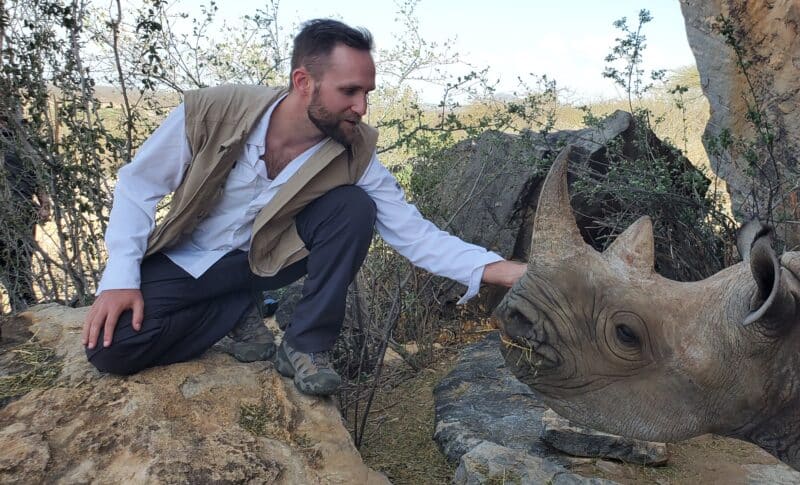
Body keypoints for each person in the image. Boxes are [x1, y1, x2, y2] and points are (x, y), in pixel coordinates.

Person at [82, 19, 527, 396]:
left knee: (353, 208)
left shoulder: (355, 150)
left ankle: (304, 343)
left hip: (266, 263)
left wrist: (503, 270)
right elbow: (138, 184)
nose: (362, 107)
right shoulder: (215, 111)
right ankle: (237, 311)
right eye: (349, 91)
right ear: (303, 82)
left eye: (367, 92)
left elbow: (413, 233)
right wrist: (120, 278)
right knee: (111, 349)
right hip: (188, 259)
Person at [0, 107, 50, 313]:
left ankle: (25, 312)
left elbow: (37, 173)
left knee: (20, 265)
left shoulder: (20, 143)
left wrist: (45, 204)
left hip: (22, 211)